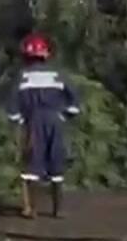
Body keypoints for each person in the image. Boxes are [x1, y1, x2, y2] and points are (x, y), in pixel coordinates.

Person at [8, 34, 80, 219]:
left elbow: (13, 105)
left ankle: (31, 209)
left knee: (31, 163)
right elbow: (74, 101)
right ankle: (58, 209)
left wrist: (19, 121)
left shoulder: (22, 76)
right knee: (56, 162)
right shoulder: (58, 74)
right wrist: (64, 115)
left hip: (33, 122)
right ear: (45, 54)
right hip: (55, 121)